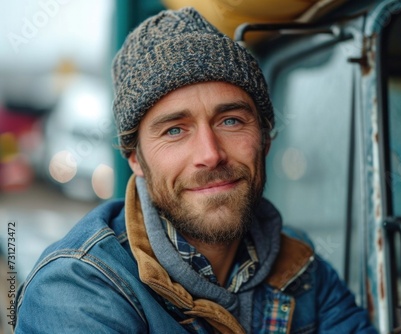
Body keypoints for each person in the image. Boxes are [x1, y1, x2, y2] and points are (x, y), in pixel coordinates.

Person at [15, 7, 377, 333]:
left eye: (231, 120)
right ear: (135, 159)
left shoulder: (300, 267)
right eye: (175, 130)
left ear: (265, 139)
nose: (211, 154)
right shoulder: (77, 291)